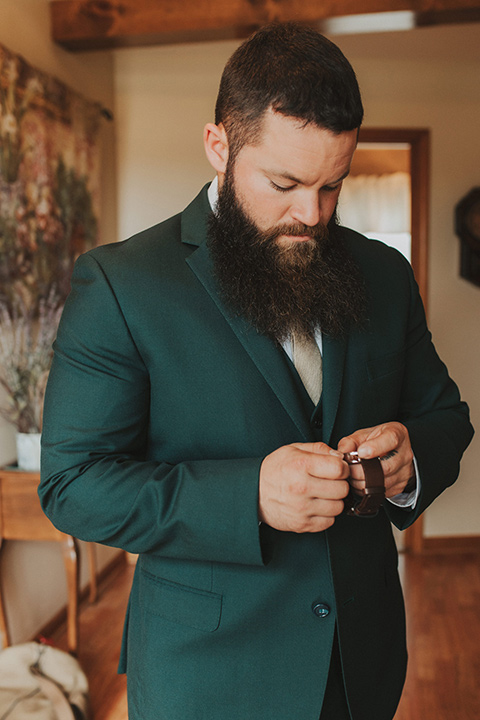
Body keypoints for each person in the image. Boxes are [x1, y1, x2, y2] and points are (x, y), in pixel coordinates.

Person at [39, 22, 473, 720]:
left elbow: (447, 415)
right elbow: (72, 486)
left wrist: (410, 454)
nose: (312, 214)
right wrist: (249, 498)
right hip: (208, 678)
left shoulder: (384, 274)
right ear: (219, 145)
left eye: (334, 186)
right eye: (285, 183)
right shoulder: (122, 284)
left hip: (362, 664)